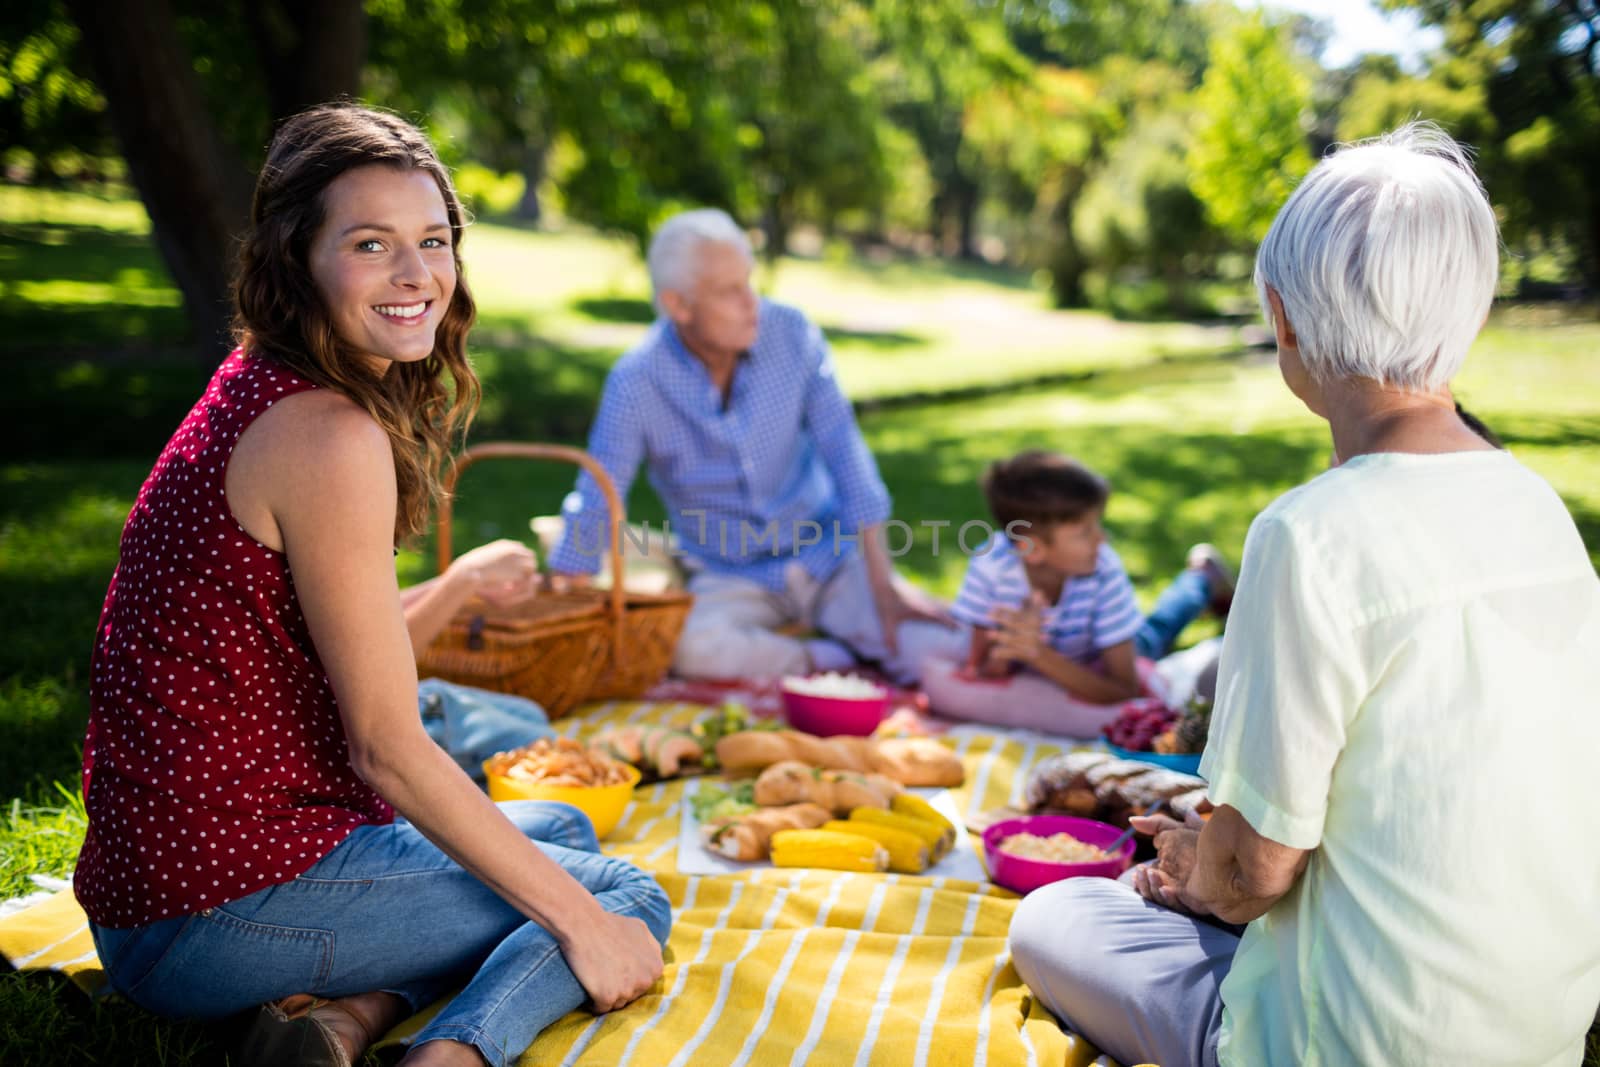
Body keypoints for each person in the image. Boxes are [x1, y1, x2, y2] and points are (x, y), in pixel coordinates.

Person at [74, 104, 670, 1067]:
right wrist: (586, 927)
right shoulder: (328, 434)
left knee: (555, 825)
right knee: (619, 897)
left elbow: (336, 650)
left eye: (433, 241)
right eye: (370, 243)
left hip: (178, 884)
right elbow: (389, 749)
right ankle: (452, 1055)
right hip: (210, 912)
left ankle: (341, 1019)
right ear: (295, 256)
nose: (416, 276)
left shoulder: (261, 385)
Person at [1008, 122, 1600, 1066]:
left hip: (1348, 1040)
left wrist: (1189, 870)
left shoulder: (1308, 532)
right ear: (1470, 315)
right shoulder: (1539, 509)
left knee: (1056, 914)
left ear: (1284, 319)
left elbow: (1252, 876)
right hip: (1534, 1030)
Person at [547, 207, 950, 681]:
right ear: (679, 305)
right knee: (688, 650)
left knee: (939, 648)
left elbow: (847, 454)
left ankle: (844, 647)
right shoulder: (637, 381)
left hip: (828, 558)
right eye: (730, 291)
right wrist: (565, 594)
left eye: (749, 282)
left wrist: (884, 585)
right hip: (728, 574)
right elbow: (599, 489)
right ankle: (822, 662)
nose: (751, 302)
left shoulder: (793, 334)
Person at [912, 449, 1231, 736]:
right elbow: (981, 669)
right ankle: (1202, 578)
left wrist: (1039, 653)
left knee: (1155, 633)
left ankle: (1202, 577)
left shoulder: (1102, 569)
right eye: (1084, 532)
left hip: (1099, 653)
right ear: (1030, 548)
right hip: (1067, 662)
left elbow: (1124, 687)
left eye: (1097, 525)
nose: (1101, 540)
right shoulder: (991, 567)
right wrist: (1008, 650)